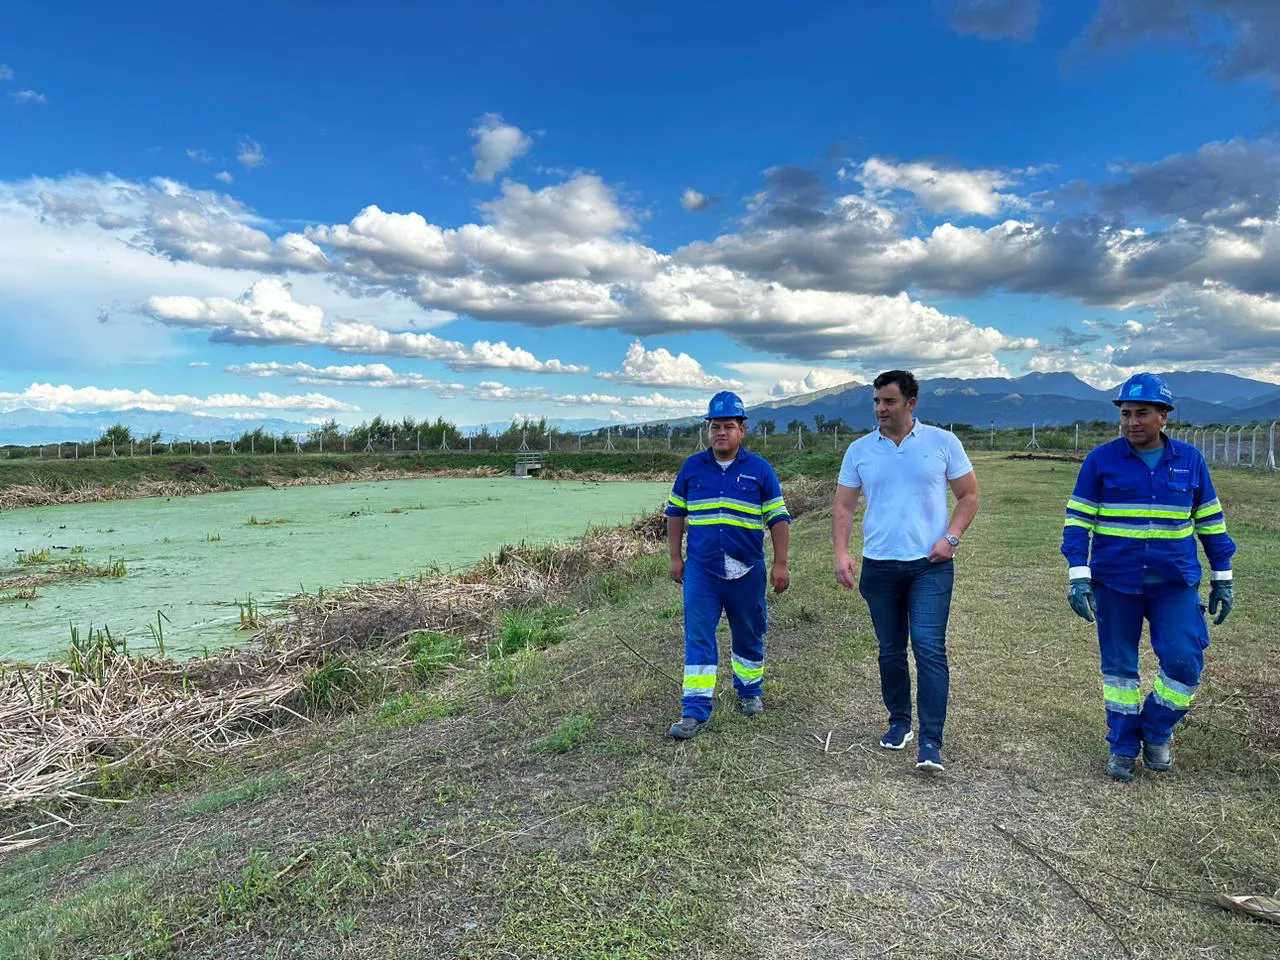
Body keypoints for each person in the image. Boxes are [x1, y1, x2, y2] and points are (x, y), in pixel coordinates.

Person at [1062, 372, 1235, 781]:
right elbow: (1077, 520)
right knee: (1119, 671)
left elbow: (1210, 522)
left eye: (1142, 413)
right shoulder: (1101, 460)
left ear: (1164, 417)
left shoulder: (1190, 461)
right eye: (1125, 414)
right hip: (1115, 583)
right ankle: (1122, 746)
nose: (1132, 422)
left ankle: (1156, 731)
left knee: (1184, 662)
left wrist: (1223, 577)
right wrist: (1078, 574)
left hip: (1173, 583)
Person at [832, 370, 979, 772]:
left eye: (889, 401)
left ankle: (931, 741)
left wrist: (950, 538)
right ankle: (900, 722)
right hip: (879, 566)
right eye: (877, 402)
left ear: (911, 403)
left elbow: (968, 496)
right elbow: (844, 506)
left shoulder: (943, 443)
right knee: (890, 650)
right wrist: (842, 552)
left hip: (929, 567)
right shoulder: (860, 450)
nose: (880, 408)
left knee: (929, 648)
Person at [664, 390, 791, 739]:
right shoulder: (692, 468)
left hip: (747, 569)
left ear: (742, 430)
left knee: (749, 633)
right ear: (708, 430)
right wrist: (676, 557)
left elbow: (779, 518)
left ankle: (749, 692)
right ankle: (694, 709)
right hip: (702, 572)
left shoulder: (760, 470)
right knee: (699, 636)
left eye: (728, 426)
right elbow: (676, 513)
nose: (721, 432)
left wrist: (780, 564)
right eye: (715, 426)